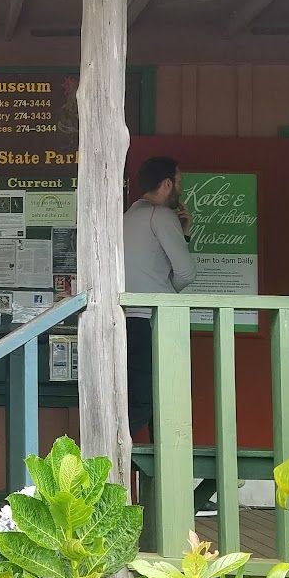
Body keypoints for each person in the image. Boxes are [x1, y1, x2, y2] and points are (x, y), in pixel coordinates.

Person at [123, 155, 196, 439]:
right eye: (179, 182)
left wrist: (183, 233)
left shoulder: (129, 216)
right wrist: (167, 291)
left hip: (128, 319)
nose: (180, 188)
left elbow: (148, 263)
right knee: (158, 397)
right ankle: (98, 457)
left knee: (141, 394)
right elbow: (187, 273)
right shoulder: (162, 215)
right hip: (153, 320)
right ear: (167, 184)